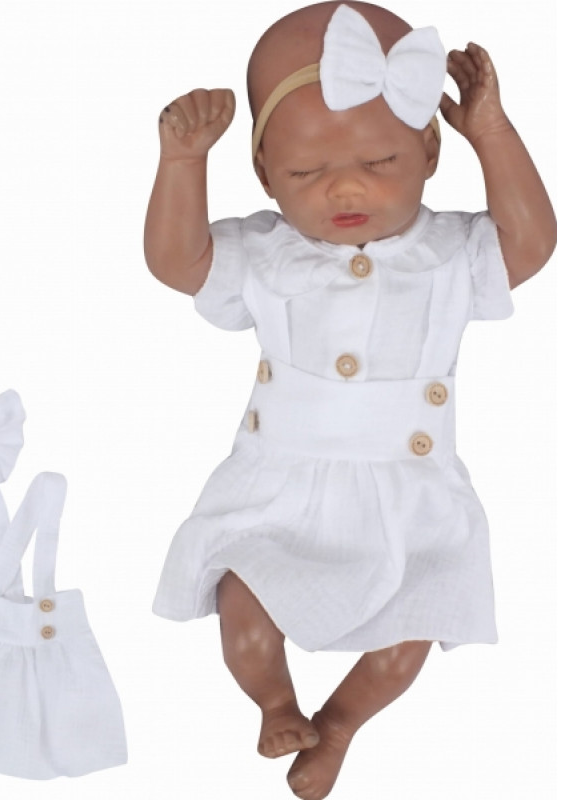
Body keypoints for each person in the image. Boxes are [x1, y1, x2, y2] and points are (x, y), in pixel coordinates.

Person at [144, 3, 555, 798]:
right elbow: (176, 261)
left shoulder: (452, 254)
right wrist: (181, 163)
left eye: (381, 159)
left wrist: (494, 134)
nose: (345, 186)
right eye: (305, 173)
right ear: (265, 174)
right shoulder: (265, 252)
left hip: (410, 493)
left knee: (411, 633)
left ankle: (337, 726)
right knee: (244, 608)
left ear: (429, 150)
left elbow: (531, 243)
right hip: (276, 484)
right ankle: (274, 702)